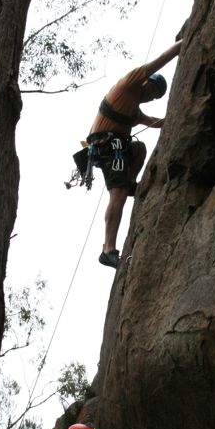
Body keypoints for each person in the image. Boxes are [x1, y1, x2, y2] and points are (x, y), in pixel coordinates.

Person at [86, 39, 182, 269]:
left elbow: (155, 122)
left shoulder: (134, 112)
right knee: (117, 194)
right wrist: (183, 43)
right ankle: (108, 250)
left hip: (116, 149)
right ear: (145, 82)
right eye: (152, 90)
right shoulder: (129, 84)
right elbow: (161, 60)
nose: (151, 97)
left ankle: (128, 183)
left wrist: (177, 115)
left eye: (156, 97)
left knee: (139, 149)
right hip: (106, 148)